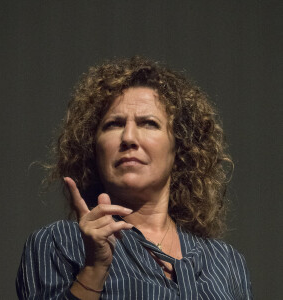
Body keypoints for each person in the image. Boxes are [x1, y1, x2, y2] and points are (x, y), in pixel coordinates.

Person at [16, 56, 252, 299]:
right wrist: (93, 269)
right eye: (114, 124)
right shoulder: (58, 243)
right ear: (93, 149)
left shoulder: (227, 263)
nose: (128, 137)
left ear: (179, 148)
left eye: (148, 123)